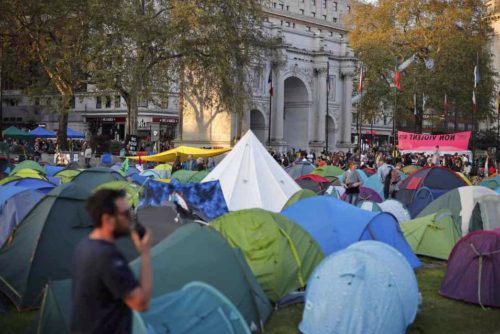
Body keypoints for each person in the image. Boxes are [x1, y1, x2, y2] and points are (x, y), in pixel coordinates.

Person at [71, 189, 152, 334]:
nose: (131, 219)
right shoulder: (107, 257)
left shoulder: (85, 245)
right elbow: (141, 303)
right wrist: (145, 253)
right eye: (126, 214)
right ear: (108, 219)